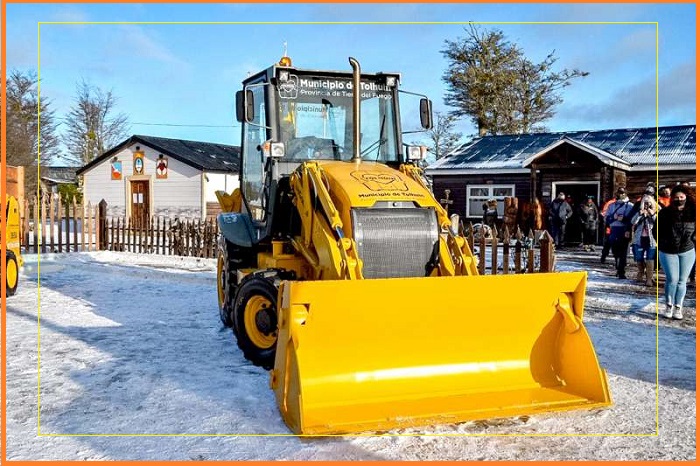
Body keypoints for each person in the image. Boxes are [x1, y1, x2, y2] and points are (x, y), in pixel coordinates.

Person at [657, 184, 696, 319]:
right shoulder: (665, 213)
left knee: (682, 280)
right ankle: (669, 304)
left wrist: (694, 239)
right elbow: (656, 231)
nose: (679, 199)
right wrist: (661, 243)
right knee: (672, 279)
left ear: (686, 197)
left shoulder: (694, 212)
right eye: (676, 197)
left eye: (682, 197)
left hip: (687, 250)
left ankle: (678, 306)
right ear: (672, 198)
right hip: (668, 250)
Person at [605, 187, 635, 279]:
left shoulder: (630, 206)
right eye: (619, 193)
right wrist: (613, 217)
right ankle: (618, 265)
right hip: (614, 229)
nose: (621, 195)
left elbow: (632, 219)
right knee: (615, 250)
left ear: (626, 194)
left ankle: (621, 270)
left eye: (623, 193)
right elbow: (606, 218)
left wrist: (624, 220)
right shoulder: (612, 205)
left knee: (624, 251)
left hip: (625, 229)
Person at [630, 194, 658, 286]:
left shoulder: (656, 211)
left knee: (650, 258)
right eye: (645, 203)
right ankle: (641, 272)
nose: (647, 205)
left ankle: (649, 278)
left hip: (651, 239)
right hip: (639, 239)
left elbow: (659, 222)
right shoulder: (639, 211)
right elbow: (632, 222)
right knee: (639, 257)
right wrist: (640, 214)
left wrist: (652, 214)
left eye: (649, 203)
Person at [599, 195, 617, 263]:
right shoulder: (610, 203)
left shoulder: (623, 204)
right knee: (609, 241)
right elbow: (604, 213)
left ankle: (605, 256)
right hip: (610, 226)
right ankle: (604, 256)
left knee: (610, 242)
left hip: (615, 226)